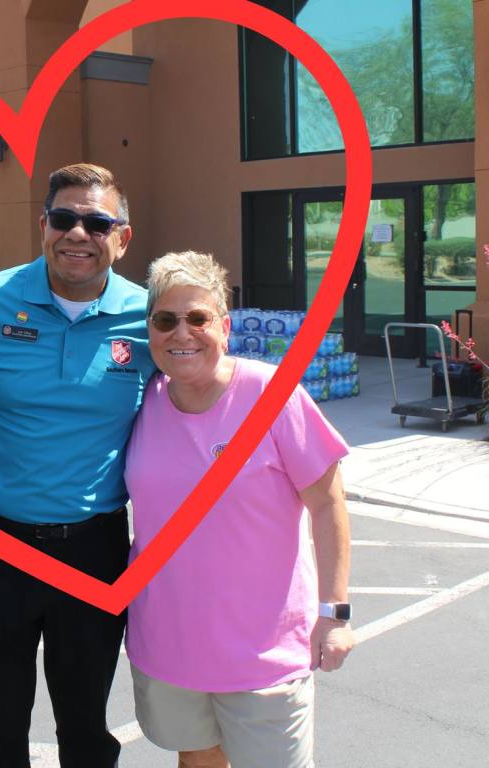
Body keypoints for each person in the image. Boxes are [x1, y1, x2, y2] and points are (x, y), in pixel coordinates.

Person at [0, 163, 157, 767]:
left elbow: (198, 407)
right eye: (66, 218)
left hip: (94, 552)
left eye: (97, 222)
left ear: (122, 238)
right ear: (43, 225)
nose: (79, 233)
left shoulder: (151, 318)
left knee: (86, 729)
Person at [124, 251, 356, 768]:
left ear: (224, 327)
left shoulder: (273, 396)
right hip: (168, 645)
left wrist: (334, 614)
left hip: (264, 656)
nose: (181, 333)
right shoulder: (145, 400)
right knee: (198, 760)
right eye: (166, 320)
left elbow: (328, 504)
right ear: (151, 331)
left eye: (198, 318)